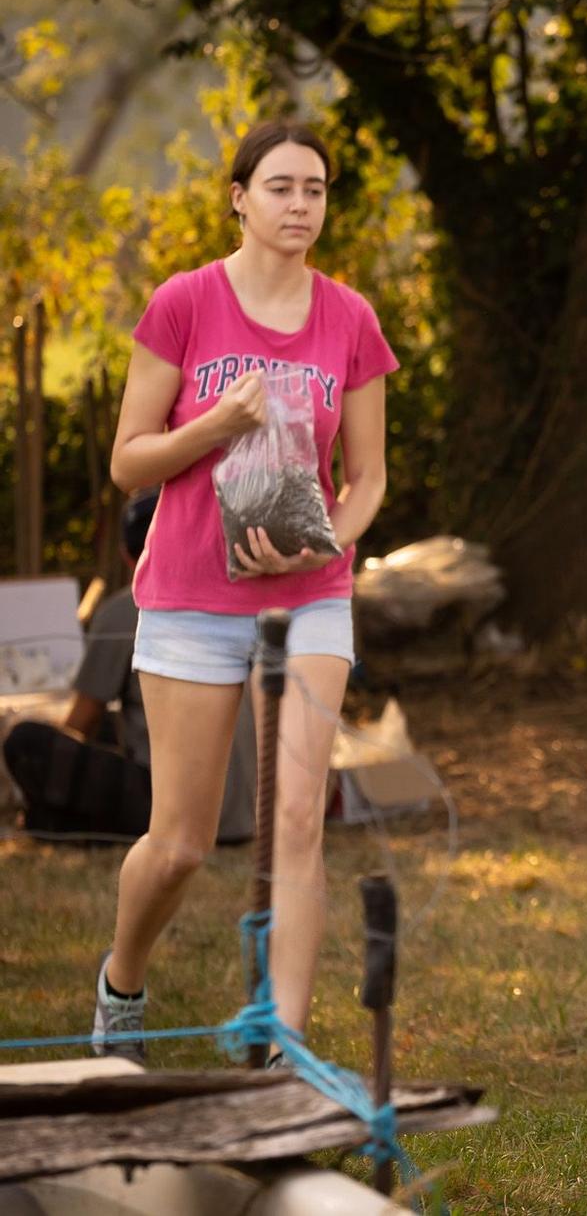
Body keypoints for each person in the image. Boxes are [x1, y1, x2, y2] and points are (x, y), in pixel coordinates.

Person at [92, 119, 398, 1066]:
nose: (300, 205)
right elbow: (128, 463)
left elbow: (370, 479)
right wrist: (216, 421)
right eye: (280, 187)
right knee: (181, 842)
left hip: (307, 598)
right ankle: (122, 983)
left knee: (299, 820)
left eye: (314, 189)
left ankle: (280, 1045)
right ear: (239, 196)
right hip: (188, 597)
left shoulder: (348, 317)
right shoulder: (185, 303)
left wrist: (319, 544)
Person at [2, 490, 256, 846]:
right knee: (113, 729)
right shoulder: (235, 598)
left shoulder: (128, 607)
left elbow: (81, 721)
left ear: (125, 554)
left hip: (178, 810)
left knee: (25, 739)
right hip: (244, 811)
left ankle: (50, 821)